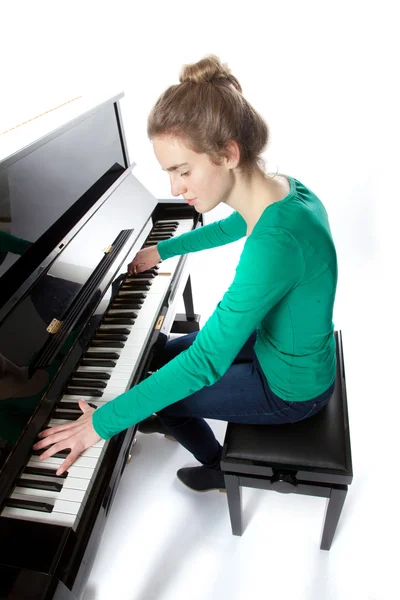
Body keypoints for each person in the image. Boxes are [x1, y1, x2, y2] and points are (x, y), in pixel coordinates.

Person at [33, 55, 338, 492]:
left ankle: (218, 466)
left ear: (228, 153)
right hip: (284, 342)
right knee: (164, 353)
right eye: (169, 173)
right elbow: (233, 226)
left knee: (175, 395)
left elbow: (206, 364)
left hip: (292, 388)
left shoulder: (274, 246)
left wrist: (100, 424)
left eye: (183, 171)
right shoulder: (285, 190)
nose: (175, 189)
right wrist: (161, 249)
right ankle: (160, 410)